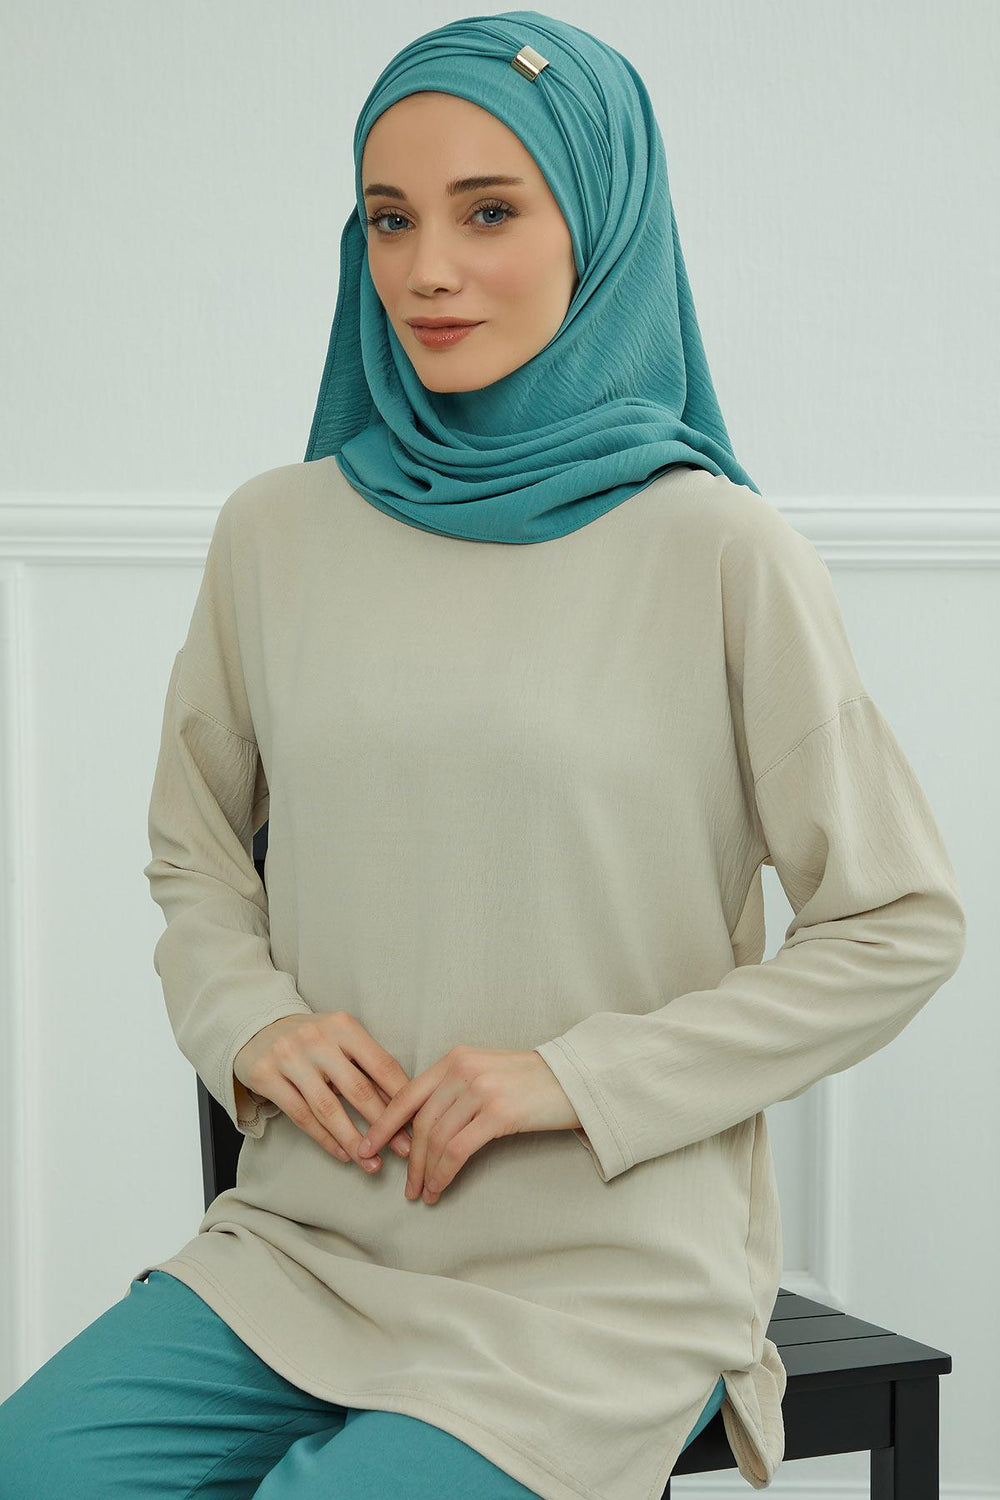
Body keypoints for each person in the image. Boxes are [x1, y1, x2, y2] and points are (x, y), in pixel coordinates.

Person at [0, 10, 967, 1499]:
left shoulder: (718, 550)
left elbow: (899, 923)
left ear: (603, 229)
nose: (427, 270)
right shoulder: (278, 533)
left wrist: (577, 1079)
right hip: (304, 1248)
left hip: (601, 1282)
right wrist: (246, 1017)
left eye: (491, 212)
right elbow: (195, 851)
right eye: (390, 220)